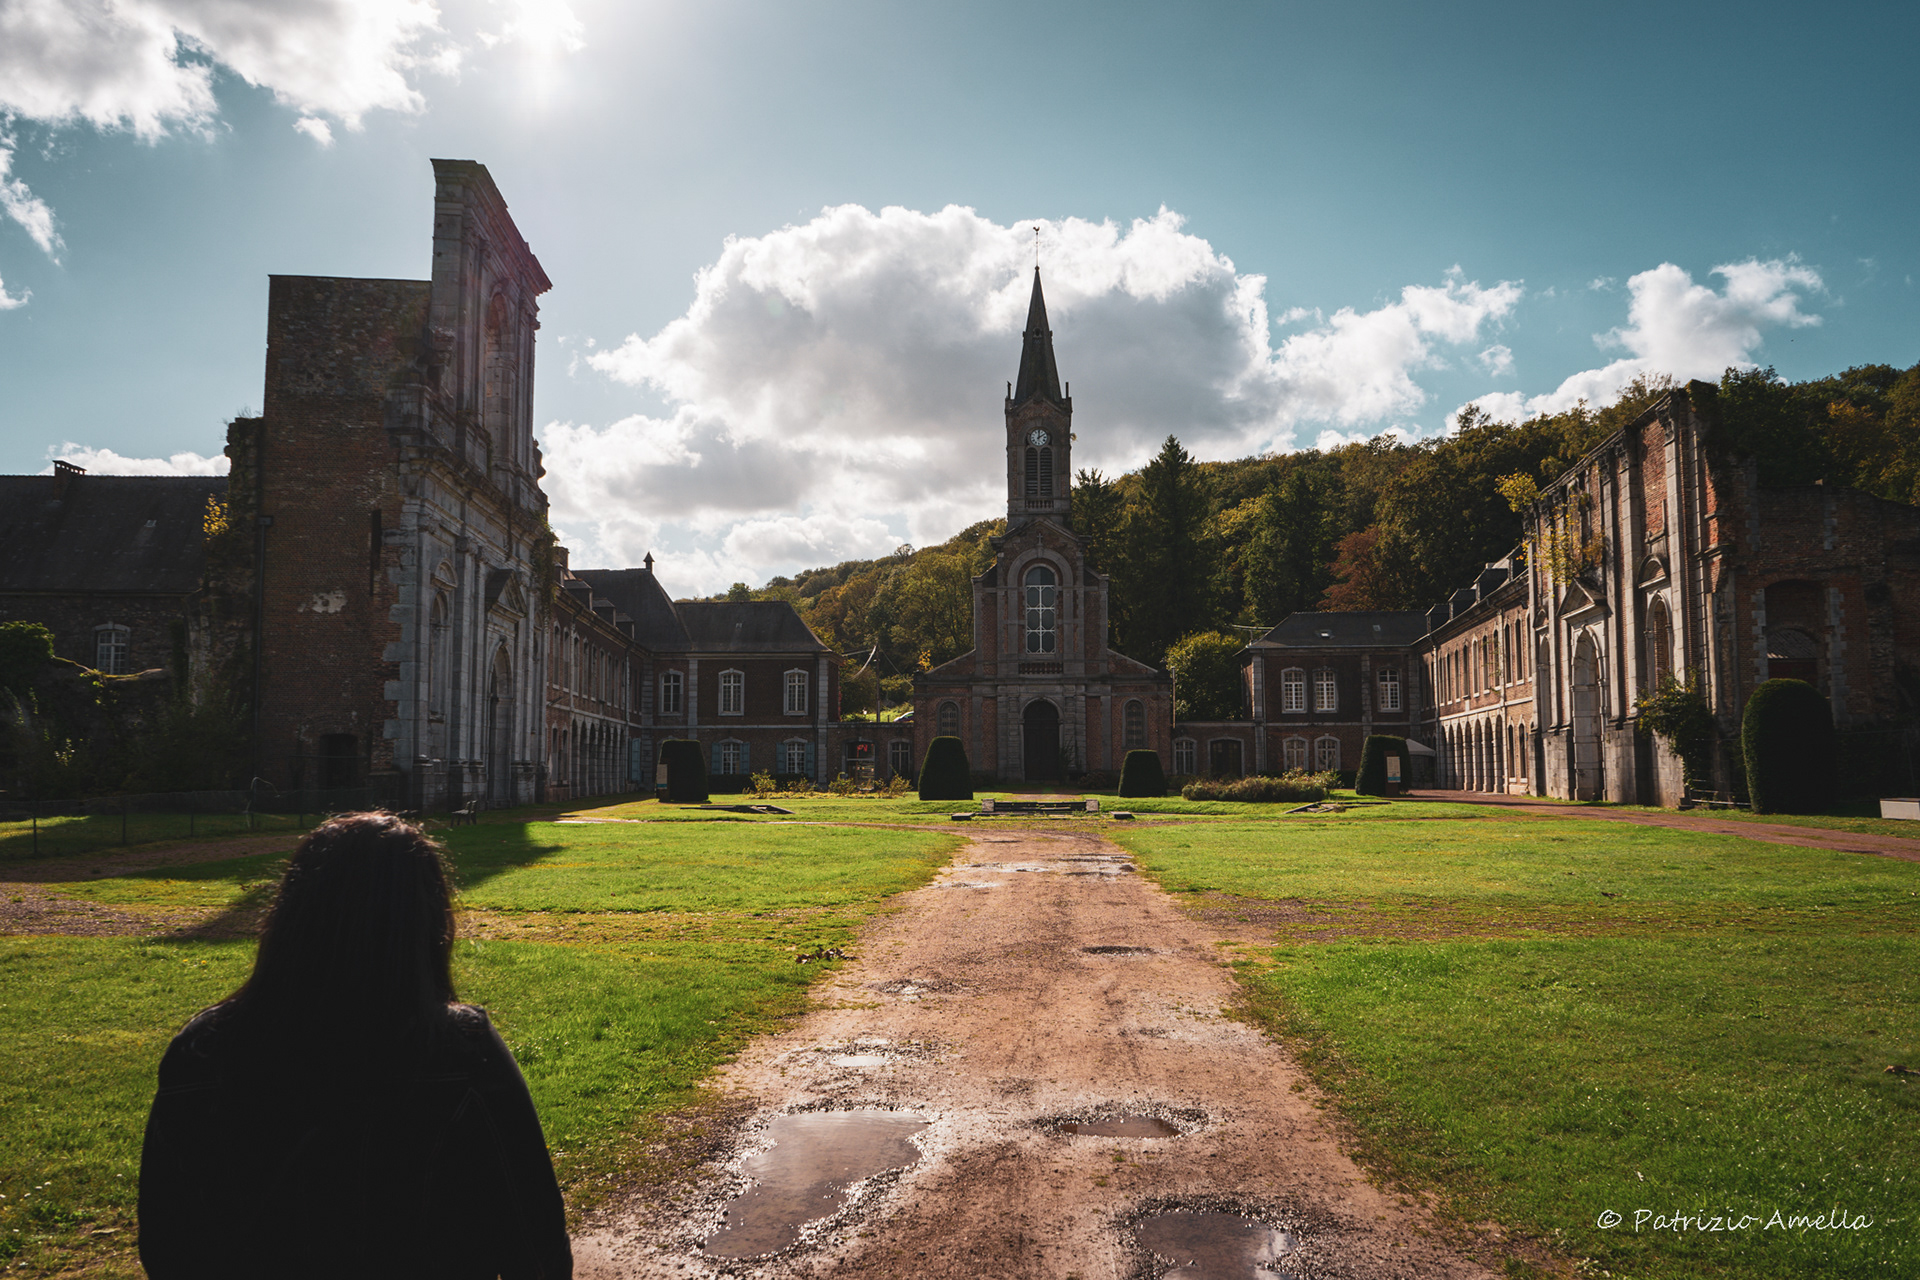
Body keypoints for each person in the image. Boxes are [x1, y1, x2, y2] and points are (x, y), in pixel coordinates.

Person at [139, 812, 572, 1279]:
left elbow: (167, 1245)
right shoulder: (459, 1051)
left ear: (291, 913)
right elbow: (535, 1240)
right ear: (427, 921)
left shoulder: (201, 1049)